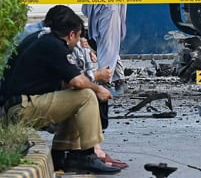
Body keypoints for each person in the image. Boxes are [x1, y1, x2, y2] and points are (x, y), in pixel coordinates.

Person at [2, 10, 119, 174]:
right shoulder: (54, 45)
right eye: (78, 37)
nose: (77, 42)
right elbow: (78, 81)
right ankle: (87, 155)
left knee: (74, 94)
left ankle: (61, 154)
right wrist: (98, 88)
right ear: (71, 34)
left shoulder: (41, 39)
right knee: (86, 95)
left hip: (17, 106)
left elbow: (67, 83)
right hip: (21, 108)